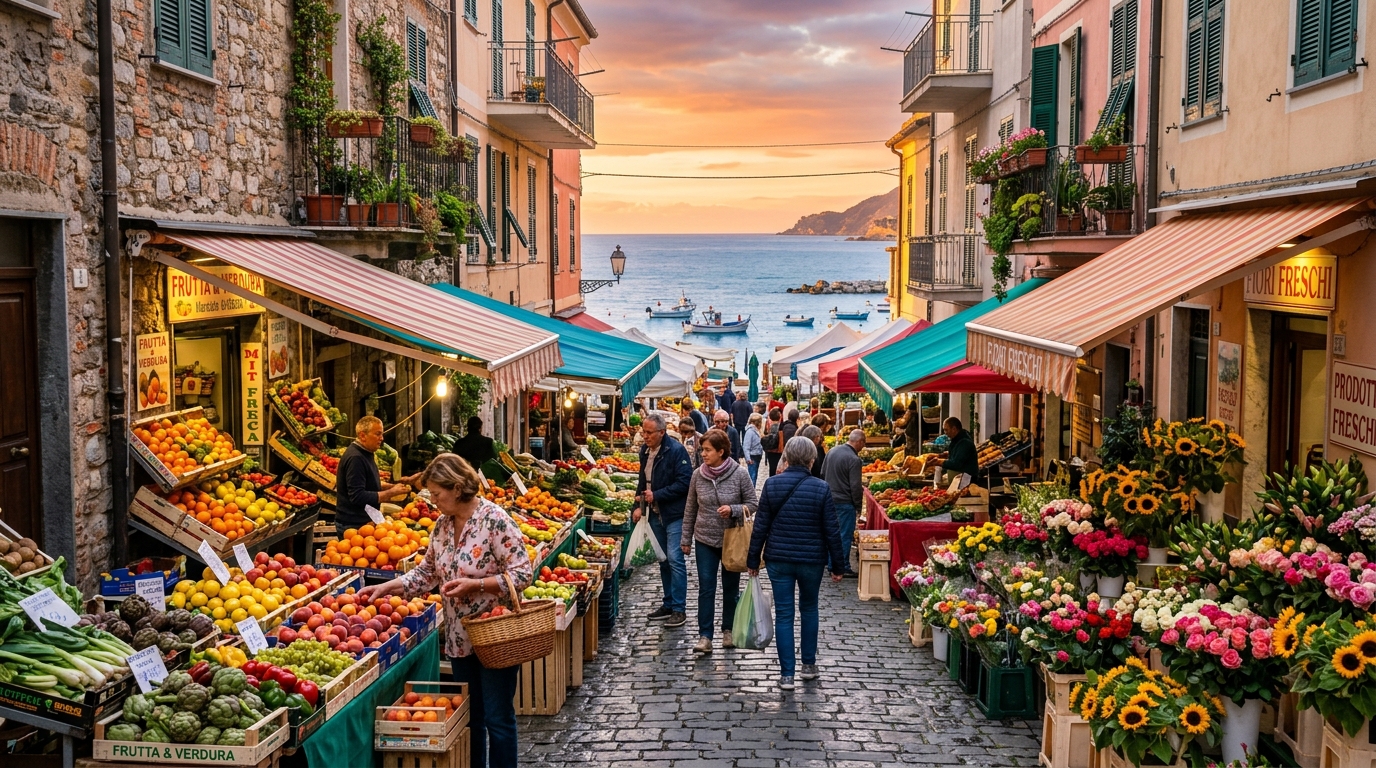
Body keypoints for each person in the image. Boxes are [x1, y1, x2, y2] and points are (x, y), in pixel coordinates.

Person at [358, 454, 532, 768]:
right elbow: (426, 574)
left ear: (456, 487)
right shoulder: (442, 525)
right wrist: (388, 587)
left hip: (495, 637)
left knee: (498, 717)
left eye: (437, 494)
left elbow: (522, 574)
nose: (434, 501)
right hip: (459, 638)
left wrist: (475, 586)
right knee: (470, 718)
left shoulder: (495, 520)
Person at [747, 436, 846, 690]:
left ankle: (787, 674)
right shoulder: (821, 488)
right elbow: (832, 530)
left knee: (784, 614)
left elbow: (761, 526)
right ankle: (809, 665)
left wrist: (753, 559)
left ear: (787, 458)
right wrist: (837, 565)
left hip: (779, 559)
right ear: (812, 460)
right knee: (810, 609)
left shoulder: (771, 485)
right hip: (811, 560)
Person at [680, 429, 758, 654]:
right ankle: (705, 636)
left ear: (721, 452)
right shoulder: (698, 475)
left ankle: (729, 630)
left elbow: (753, 503)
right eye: (702, 449)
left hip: (731, 539)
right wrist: (686, 539)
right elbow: (690, 509)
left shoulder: (740, 474)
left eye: (707, 450)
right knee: (706, 587)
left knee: (731, 588)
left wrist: (733, 509)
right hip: (704, 539)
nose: (702, 453)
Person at [633, 414, 694, 627]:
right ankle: (668, 603)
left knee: (675, 559)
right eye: (643, 432)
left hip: (675, 514)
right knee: (663, 560)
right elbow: (642, 480)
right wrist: (637, 506)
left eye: (649, 433)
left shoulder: (676, 451)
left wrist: (657, 495)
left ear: (662, 432)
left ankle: (679, 608)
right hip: (654, 513)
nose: (645, 436)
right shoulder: (645, 451)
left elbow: (685, 483)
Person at [337, 416, 409, 539]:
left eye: (382, 434)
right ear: (363, 436)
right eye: (378, 434)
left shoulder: (366, 453)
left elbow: (368, 483)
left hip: (365, 521)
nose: (382, 438)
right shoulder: (356, 458)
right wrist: (390, 493)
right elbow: (357, 496)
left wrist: (391, 486)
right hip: (354, 525)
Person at [823, 429, 866, 578]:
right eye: (863, 443)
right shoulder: (854, 459)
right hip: (844, 502)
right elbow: (855, 486)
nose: (863, 447)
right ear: (859, 441)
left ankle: (831, 563)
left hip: (829, 499)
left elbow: (822, 474)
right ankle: (842, 566)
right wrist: (858, 505)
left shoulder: (832, 451)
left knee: (831, 532)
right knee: (844, 535)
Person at [931, 416, 980, 483]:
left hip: (966, 482)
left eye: (946, 430)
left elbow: (956, 463)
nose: (945, 433)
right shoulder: (957, 440)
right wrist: (948, 454)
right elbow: (958, 454)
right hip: (959, 481)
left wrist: (940, 462)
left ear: (954, 429)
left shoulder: (965, 443)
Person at [743, 412, 765, 485]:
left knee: (754, 475)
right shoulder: (750, 432)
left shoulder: (756, 431)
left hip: (757, 455)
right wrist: (748, 458)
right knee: (752, 476)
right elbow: (746, 446)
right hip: (753, 456)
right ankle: (751, 492)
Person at [763, 408, 784, 478]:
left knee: (771, 468)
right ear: (779, 417)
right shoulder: (780, 427)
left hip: (770, 450)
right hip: (778, 450)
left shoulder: (769, 427)